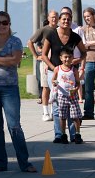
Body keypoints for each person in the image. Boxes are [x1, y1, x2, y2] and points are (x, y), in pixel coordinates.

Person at [0, 11, 35, 173]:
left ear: (9, 24)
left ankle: (24, 163)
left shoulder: (15, 41)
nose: (1, 26)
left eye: (4, 23)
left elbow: (15, 60)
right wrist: (3, 60)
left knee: (14, 126)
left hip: (9, 89)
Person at [40, 11, 86, 142]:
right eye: (64, 19)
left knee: (72, 106)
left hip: (70, 74)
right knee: (56, 105)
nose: (66, 21)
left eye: (68, 19)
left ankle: (74, 135)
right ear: (59, 20)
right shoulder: (51, 34)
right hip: (54, 73)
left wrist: (78, 61)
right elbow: (43, 54)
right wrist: (53, 67)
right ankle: (59, 134)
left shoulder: (75, 36)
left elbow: (84, 52)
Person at [27, 9, 59, 117]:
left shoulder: (60, 30)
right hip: (45, 62)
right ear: (49, 19)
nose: (54, 19)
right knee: (46, 87)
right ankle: (45, 112)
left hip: (57, 62)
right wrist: (36, 56)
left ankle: (55, 111)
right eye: (52, 17)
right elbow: (30, 42)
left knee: (56, 87)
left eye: (56, 17)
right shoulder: (44, 30)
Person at [51, 47, 83, 144]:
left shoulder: (74, 70)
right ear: (61, 58)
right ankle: (63, 134)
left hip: (72, 96)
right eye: (65, 57)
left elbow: (78, 82)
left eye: (69, 57)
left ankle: (77, 134)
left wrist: (76, 89)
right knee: (62, 116)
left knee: (75, 116)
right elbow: (53, 79)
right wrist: (54, 83)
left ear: (72, 57)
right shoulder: (57, 69)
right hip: (61, 96)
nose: (67, 59)